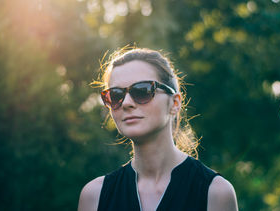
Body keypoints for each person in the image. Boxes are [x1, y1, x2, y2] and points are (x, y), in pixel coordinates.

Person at [78, 47, 238, 211]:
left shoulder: (215, 193)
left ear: (175, 103)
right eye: (116, 95)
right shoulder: (94, 197)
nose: (126, 103)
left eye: (142, 91)